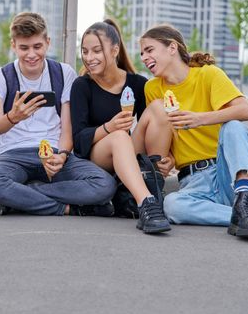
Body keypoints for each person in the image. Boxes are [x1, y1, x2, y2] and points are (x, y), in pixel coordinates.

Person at [140, 24, 248, 239]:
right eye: (142, 53)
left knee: (234, 126)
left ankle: (245, 198)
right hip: (192, 182)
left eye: (149, 50)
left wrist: (200, 119)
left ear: (172, 48)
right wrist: (170, 158)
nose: (144, 57)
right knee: (172, 206)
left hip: (227, 173)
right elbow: (168, 132)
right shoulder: (152, 88)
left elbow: (247, 110)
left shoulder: (208, 75)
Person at [0, 12, 116, 216]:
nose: (31, 54)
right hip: (14, 156)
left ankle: (22, 196)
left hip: (54, 152)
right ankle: (65, 208)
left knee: (105, 184)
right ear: (13, 45)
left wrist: (61, 155)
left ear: (47, 43)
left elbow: (67, 128)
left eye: (37, 46)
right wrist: (13, 117)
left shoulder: (63, 72)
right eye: (24, 48)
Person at [70, 19, 174, 234]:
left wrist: (170, 158)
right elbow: (79, 142)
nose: (89, 58)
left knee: (158, 107)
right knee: (119, 136)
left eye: (97, 51)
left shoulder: (137, 84)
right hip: (97, 156)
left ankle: (152, 181)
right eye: (85, 51)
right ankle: (147, 203)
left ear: (115, 50)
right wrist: (108, 127)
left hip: (126, 151)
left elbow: (153, 127)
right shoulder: (82, 85)